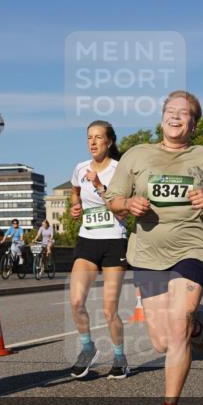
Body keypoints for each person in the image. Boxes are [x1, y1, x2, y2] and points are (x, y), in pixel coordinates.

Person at [104, 90, 203, 405]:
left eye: (184, 113)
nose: (175, 116)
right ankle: (198, 327)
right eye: (170, 111)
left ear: (193, 124)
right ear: (162, 117)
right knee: (162, 341)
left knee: (177, 324)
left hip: (193, 247)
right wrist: (127, 204)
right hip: (147, 252)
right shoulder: (137, 156)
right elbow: (113, 200)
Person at [68, 120, 129, 380]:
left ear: (109, 142)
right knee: (76, 301)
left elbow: (123, 209)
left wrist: (99, 186)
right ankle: (87, 348)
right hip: (87, 240)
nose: (92, 142)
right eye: (89, 138)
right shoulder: (80, 168)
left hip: (114, 241)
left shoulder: (120, 170)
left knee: (108, 310)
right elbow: (74, 191)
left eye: (98, 138)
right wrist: (74, 206)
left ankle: (119, 357)